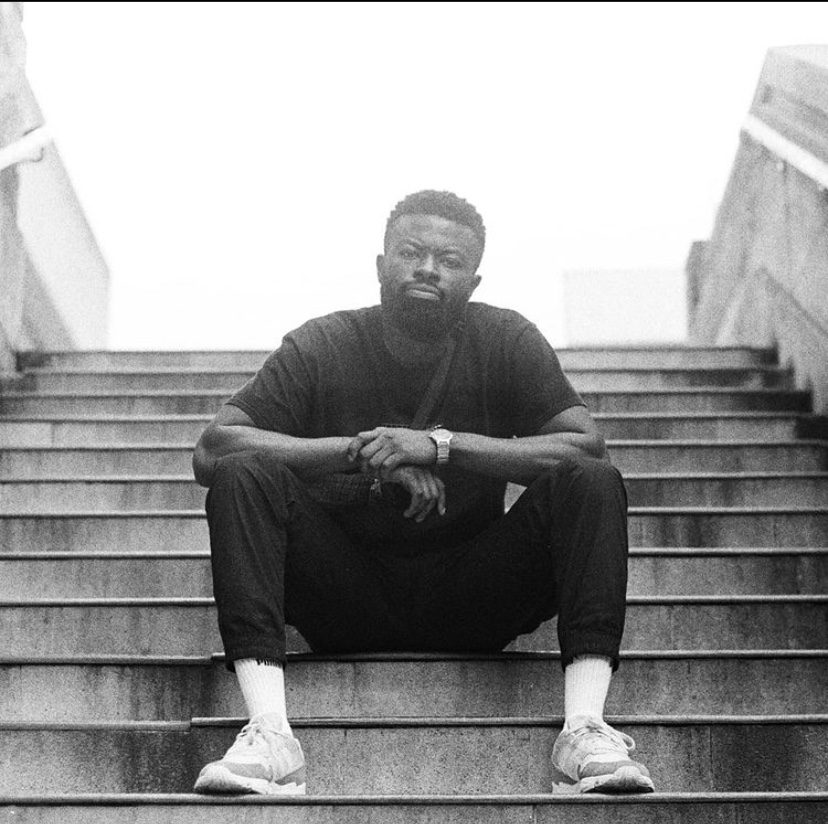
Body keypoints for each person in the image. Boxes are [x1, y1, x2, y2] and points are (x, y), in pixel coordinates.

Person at [191, 190, 654, 796]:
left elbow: (586, 448)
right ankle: (270, 731)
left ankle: (585, 729)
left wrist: (440, 446)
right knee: (242, 473)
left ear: (474, 280)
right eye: (411, 253)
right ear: (381, 264)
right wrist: (365, 451)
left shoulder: (504, 338)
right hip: (345, 593)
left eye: (450, 260)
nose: (428, 269)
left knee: (590, 480)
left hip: (472, 594)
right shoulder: (323, 343)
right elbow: (213, 449)